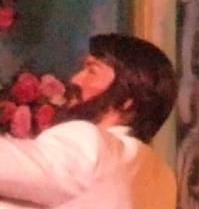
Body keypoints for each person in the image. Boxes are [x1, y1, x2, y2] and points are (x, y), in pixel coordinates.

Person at [0, 33, 178, 209]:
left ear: (126, 100)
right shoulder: (164, 180)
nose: (75, 79)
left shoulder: (91, 142)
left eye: (92, 71)